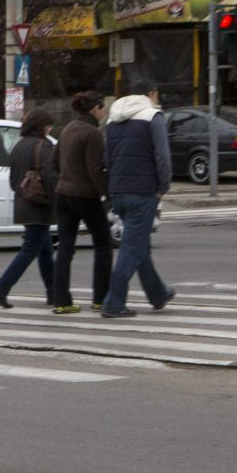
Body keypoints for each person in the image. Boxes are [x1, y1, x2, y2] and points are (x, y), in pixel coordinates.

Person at [101, 84, 175, 318]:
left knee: (139, 245)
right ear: (151, 94)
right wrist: (163, 186)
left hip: (118, 191)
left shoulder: (112, 120)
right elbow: (162, 155)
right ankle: (113, 302)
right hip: (143, 192)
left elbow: (107, 157)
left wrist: (113, 186)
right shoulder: (153, 116)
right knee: (132, 248)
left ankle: (158, 294)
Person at [49, 92, 111, 315]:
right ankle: (100, 298)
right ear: (95, 109)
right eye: (103, 109)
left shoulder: (68, 128)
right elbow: (96, 169)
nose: (103, 113)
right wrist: (108, 194)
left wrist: (66, 178)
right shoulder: (93, 133)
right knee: (103, 244)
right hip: (85, 196)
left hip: (62, 194)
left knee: (65, 248)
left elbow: (54, 162)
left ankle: (61, 301)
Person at [0, 110, 56, 308]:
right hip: (39, 203)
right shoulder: (44, 145)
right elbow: (51, 177)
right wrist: (57, 200)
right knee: (31, 248)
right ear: (42, 126)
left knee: (44, 248)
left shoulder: (18, 145)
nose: (50, 129)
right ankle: (2, 287)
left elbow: (13, 180)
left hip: (23, 201)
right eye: (49, 125)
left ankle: (53, 293)